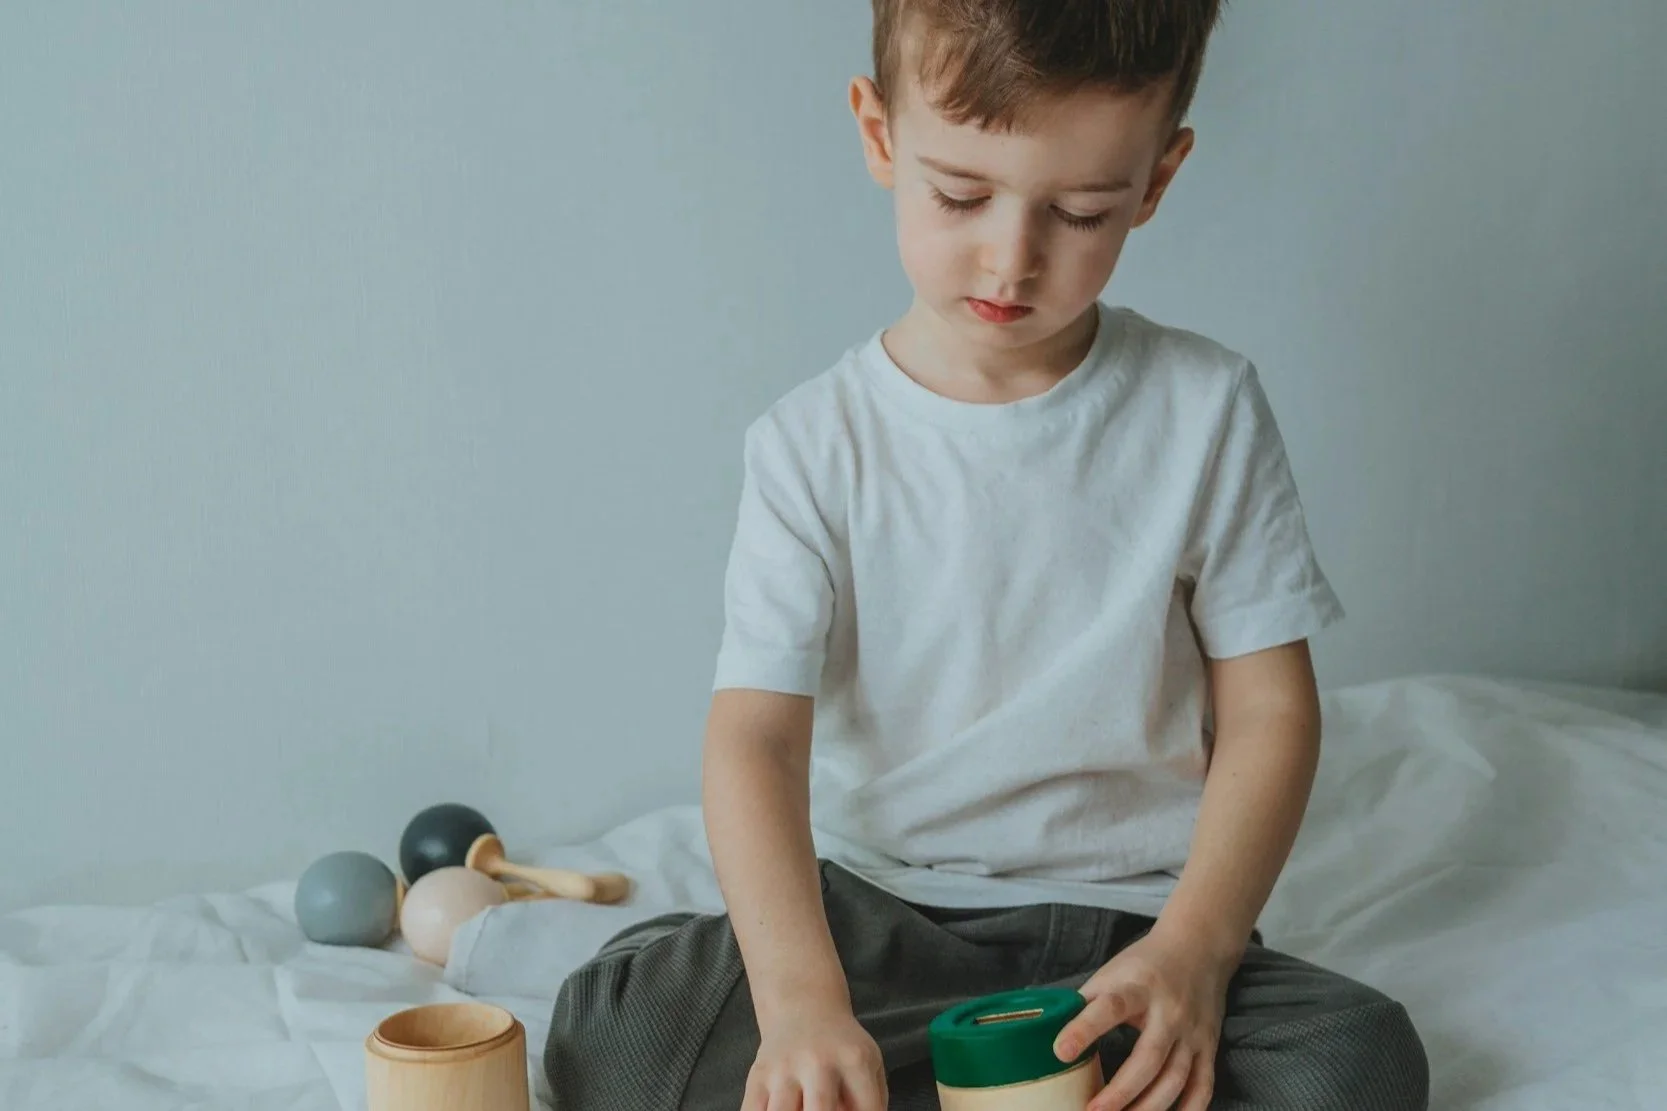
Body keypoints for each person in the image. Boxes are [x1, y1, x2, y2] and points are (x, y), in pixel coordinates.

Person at [545, 2, 1430, 1108]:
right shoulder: (812, 445)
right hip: (878, 920)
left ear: (1154, 181)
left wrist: (1195, 954)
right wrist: (800, 1001)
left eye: (1080, 209)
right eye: (959, 195)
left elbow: (1269, 713)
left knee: (1358, 1060)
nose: (1009, 258)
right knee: (619, 1035)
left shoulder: (1205, 409)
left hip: (1129, 937)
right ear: (879, 136)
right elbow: (756, 740)